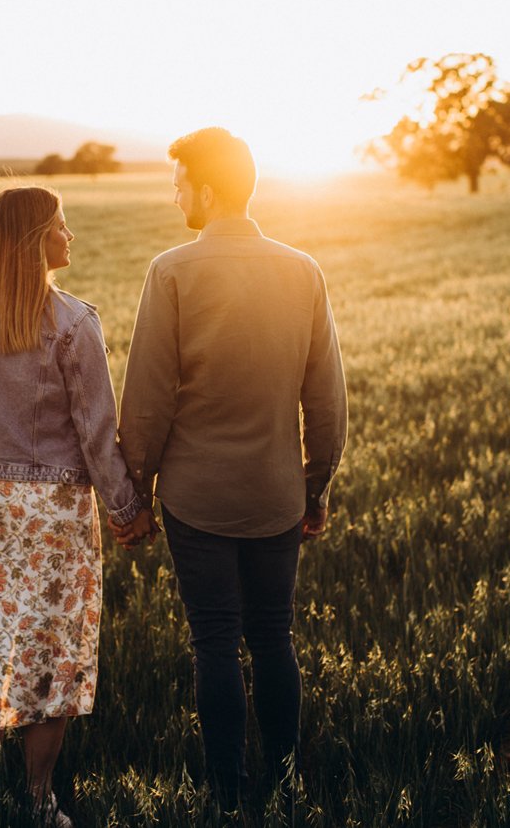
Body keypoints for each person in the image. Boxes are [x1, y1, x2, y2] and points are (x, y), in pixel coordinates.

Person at [117, 127, 347, 819]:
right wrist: (315, 484)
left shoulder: (172, 271)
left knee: (214, 641)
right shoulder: (302, 269)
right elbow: (327, 396)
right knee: (273, 635)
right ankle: (283, 782)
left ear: (208, 189)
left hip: (197, 497)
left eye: (180, 180)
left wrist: (135, 488)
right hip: (276, 494)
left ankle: (226, 792)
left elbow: (148, 398)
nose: (175, 192)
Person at [0, 185, 158, 827]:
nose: (70, 236)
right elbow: (95, 428)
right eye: (60, 225)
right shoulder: (73, 323)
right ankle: (37, 800)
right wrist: (125, 506)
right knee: (53, 658)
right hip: (52, 513)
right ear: (34, 242)